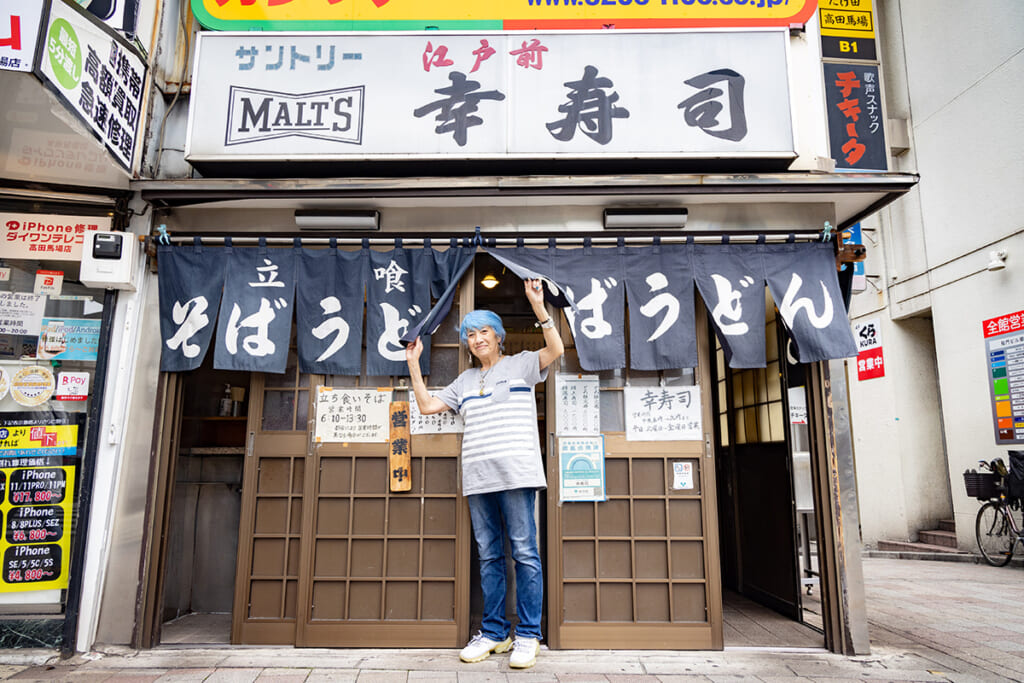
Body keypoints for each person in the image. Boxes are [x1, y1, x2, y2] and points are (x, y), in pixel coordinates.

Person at [405, 278, 564, 669]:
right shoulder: (464, 381)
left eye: (484, 332)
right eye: (470, 334)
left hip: (517, 474)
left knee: (525, 554)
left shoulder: (522, 364)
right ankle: (494, 632)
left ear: (498, 336)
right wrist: (413, 362)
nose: (477, 339)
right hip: (478, 477)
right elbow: (426, 406)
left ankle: (528, 635)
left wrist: (538, 305)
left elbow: (556, 349)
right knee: (490, 555)